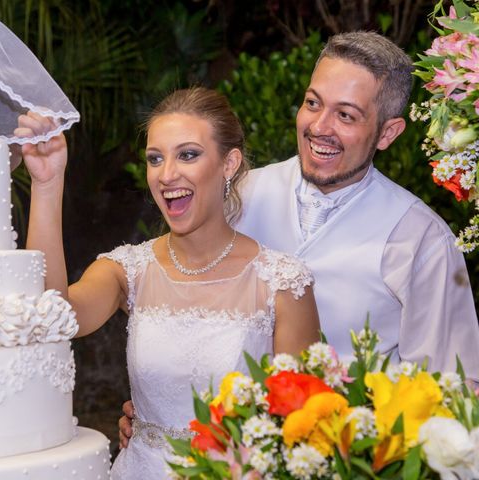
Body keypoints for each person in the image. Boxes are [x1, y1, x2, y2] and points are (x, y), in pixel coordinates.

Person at [118, 30, 479, 448]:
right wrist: (157, 416)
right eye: (313, 103)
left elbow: (450, 396)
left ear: (387, 133)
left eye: (346, 115)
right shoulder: (233, 196)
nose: (319, 127)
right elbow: (171, 306)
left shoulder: (421, 240)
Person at [19, 88, 320, 478]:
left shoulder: (283, 282)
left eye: (188, 155)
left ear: (229, 163)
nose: (166, 174)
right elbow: (51, 317)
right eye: (155, 159)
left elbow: (300, 432)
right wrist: (47, 184)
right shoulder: (129, 269)